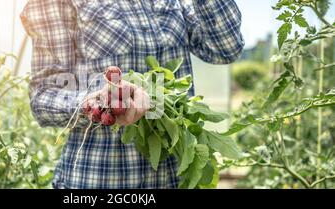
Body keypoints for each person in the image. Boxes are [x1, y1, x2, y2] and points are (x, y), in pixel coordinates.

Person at [20, 0, 244, 189]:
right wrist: (97, 102)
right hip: (100, 179)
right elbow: (43, 96)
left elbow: (224, 49)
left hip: (175, 176)